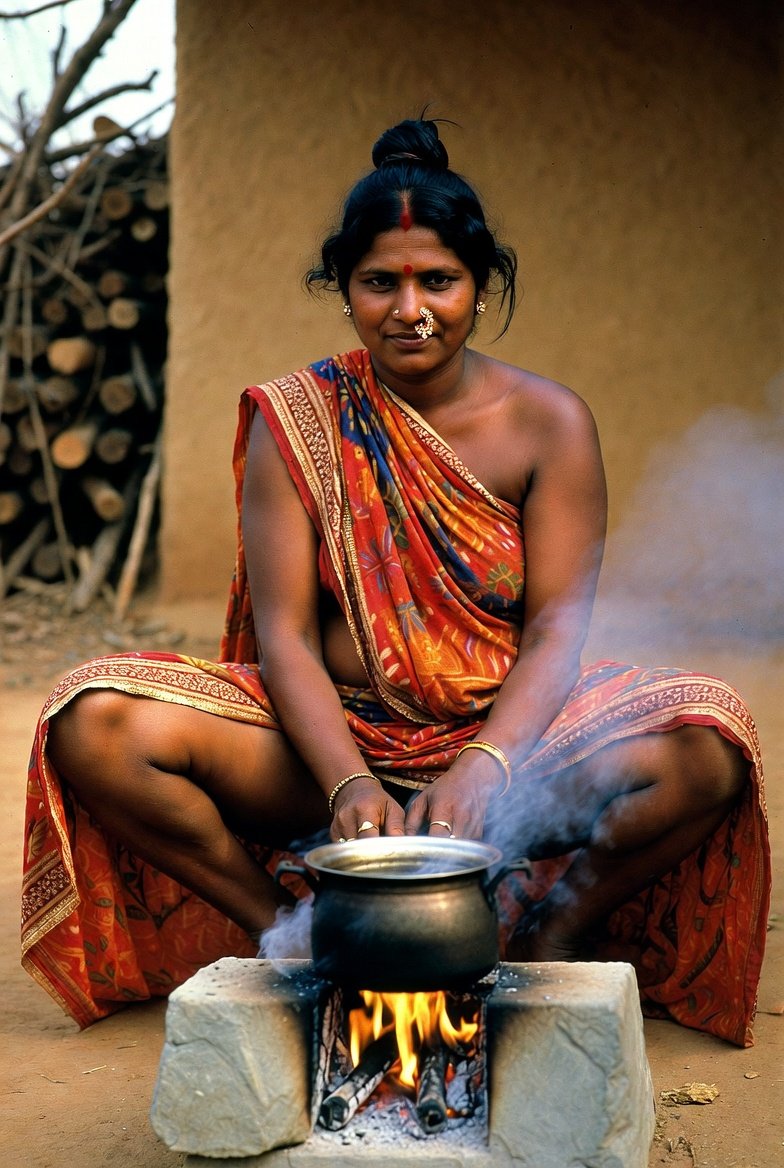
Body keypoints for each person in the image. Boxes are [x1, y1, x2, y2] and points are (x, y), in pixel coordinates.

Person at [22, 118, 769, 1045]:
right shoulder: (295, 419)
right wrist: (343, 783)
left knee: (711, 744)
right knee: (91, 721)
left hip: (516, 750)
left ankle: (544, 933)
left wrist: (488, 762)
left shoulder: (549, 423)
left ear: (481, 286)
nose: (409, 308)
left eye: (438, 281)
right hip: (331, 739)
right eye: (381, 282)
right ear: (345, 290)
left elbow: (554, 634)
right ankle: (295, 935)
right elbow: (286, 634)